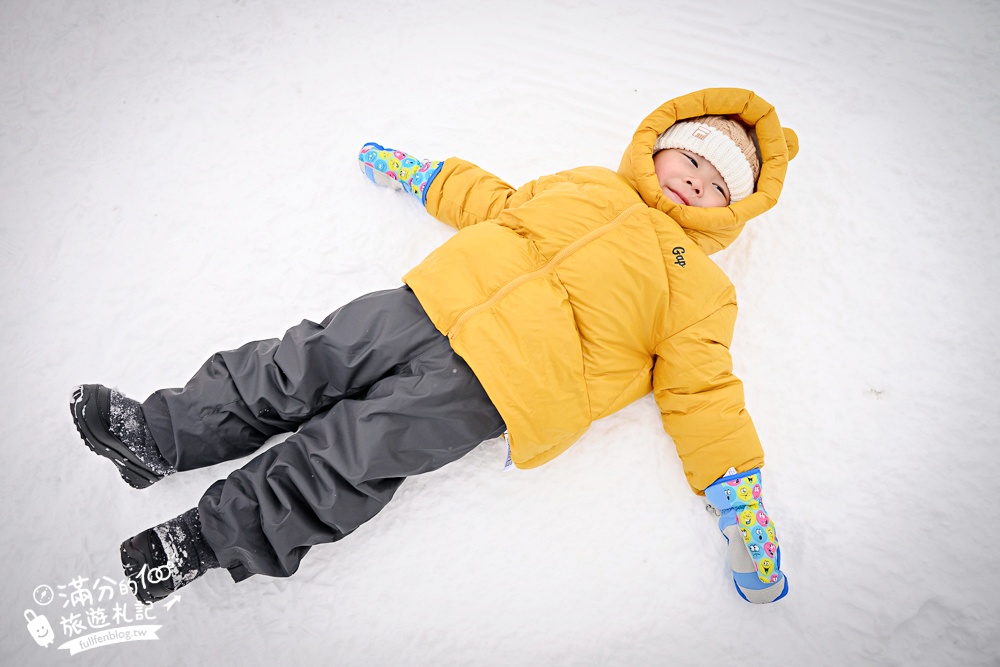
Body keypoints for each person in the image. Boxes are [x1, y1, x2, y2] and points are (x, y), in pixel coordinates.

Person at [70, 87, 798, 606]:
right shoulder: (589, 184)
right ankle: (159, 434)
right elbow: (498, 202)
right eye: (689, 162)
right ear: (658, 149)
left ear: (733, 210)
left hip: (497, 382)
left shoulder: (700, 288)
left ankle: (203, 539)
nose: (693, 182)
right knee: (300, 358)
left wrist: (740, 498)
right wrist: (424, 176)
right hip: (428, 301)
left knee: (354, 450)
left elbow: (702, 390)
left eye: (713, 185)